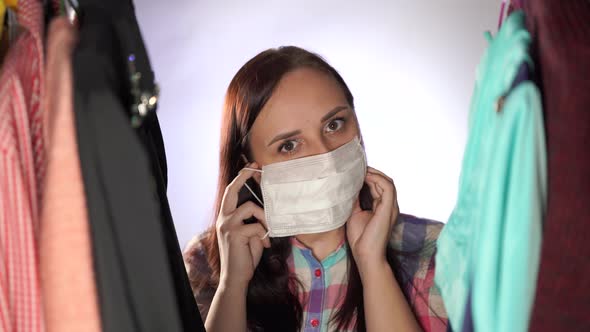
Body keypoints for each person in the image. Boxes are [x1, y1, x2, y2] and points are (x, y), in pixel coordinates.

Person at [183, 46, 448, 332]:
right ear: (252, 170)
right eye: (289, 145)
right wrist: (232, 286)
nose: (325, 157)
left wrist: (374, 265)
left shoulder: (435, 250)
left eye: (334, 124)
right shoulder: (204, 261)